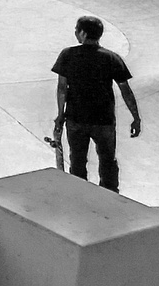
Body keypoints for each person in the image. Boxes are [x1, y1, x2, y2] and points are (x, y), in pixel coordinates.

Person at [52, 15, 141, 192]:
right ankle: (110, 195)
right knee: (108, 160)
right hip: (104, 120)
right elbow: (125, 90)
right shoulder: (111, 58)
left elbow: (62, 88)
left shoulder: (68, 55)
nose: (76, 33)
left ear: (83, 33)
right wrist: (136, 117)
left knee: (77, 161)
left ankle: (80, 196)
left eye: (77, 30)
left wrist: (60, 115)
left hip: (76, 118)